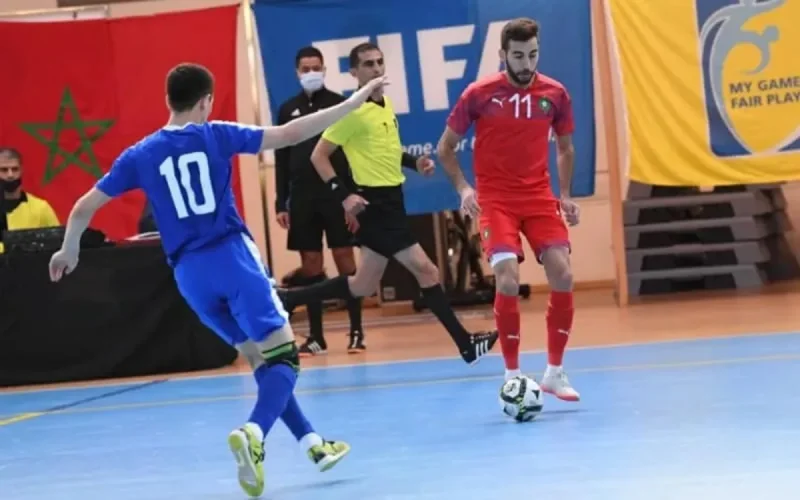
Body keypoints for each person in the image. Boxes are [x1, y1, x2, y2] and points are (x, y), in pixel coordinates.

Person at [48, 63, 387, 498]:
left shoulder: (139, 153)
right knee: (285, 358)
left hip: (189, 276)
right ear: (206, 101)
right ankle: (254, 433)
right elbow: (289, 134)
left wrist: (69, 249)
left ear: (168, 101)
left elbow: (82, 207)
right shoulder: (216, 134)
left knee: (263, 361)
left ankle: (313, 444)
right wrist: (354, 101)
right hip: (231, 258)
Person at [278, 43, 498, 365]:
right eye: (368, 64)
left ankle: (288, 298)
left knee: (361, 285)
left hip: (393, 202)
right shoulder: (351, 111)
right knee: (427, 269)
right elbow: (318, 156)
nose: (377, 68)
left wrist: (413, 163)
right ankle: (466, 344)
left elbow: (388, 150)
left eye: (380, 62)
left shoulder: (384, 105)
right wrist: (344, 194)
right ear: (354, 73)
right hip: (376, 206)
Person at [437, 18, 581, 401]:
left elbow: (565, 148)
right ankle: (513, 375)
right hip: (496, 201)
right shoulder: (479, 94)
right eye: (518, 56)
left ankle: (554, 371)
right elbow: (445, 148)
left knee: (563, 274)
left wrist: (564, 194)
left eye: (533, 54)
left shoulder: (556, 94)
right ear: (503, 55)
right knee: (507, 280)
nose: (526, 63)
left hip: (538, 197)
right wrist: (464, 188)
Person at [274, 46, 364, 357]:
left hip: (335, 196)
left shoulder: (339, 104)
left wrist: (351, 196)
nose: (311, 73)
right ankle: (316, 336)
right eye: (305, 68)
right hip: (301, 199)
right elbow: (281, 158)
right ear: (297, 72)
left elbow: (350, 153)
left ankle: (356, 331)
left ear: (324, 69)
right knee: (310, 264)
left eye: (316, 67)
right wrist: (279, 202)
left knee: (345, 259)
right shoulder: (287, 109)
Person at [0, 147, 60, 252]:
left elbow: (58, 244)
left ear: (21, 170)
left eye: (15, 169)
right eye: (4, 170)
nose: (10, 175)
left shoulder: (41, 208)